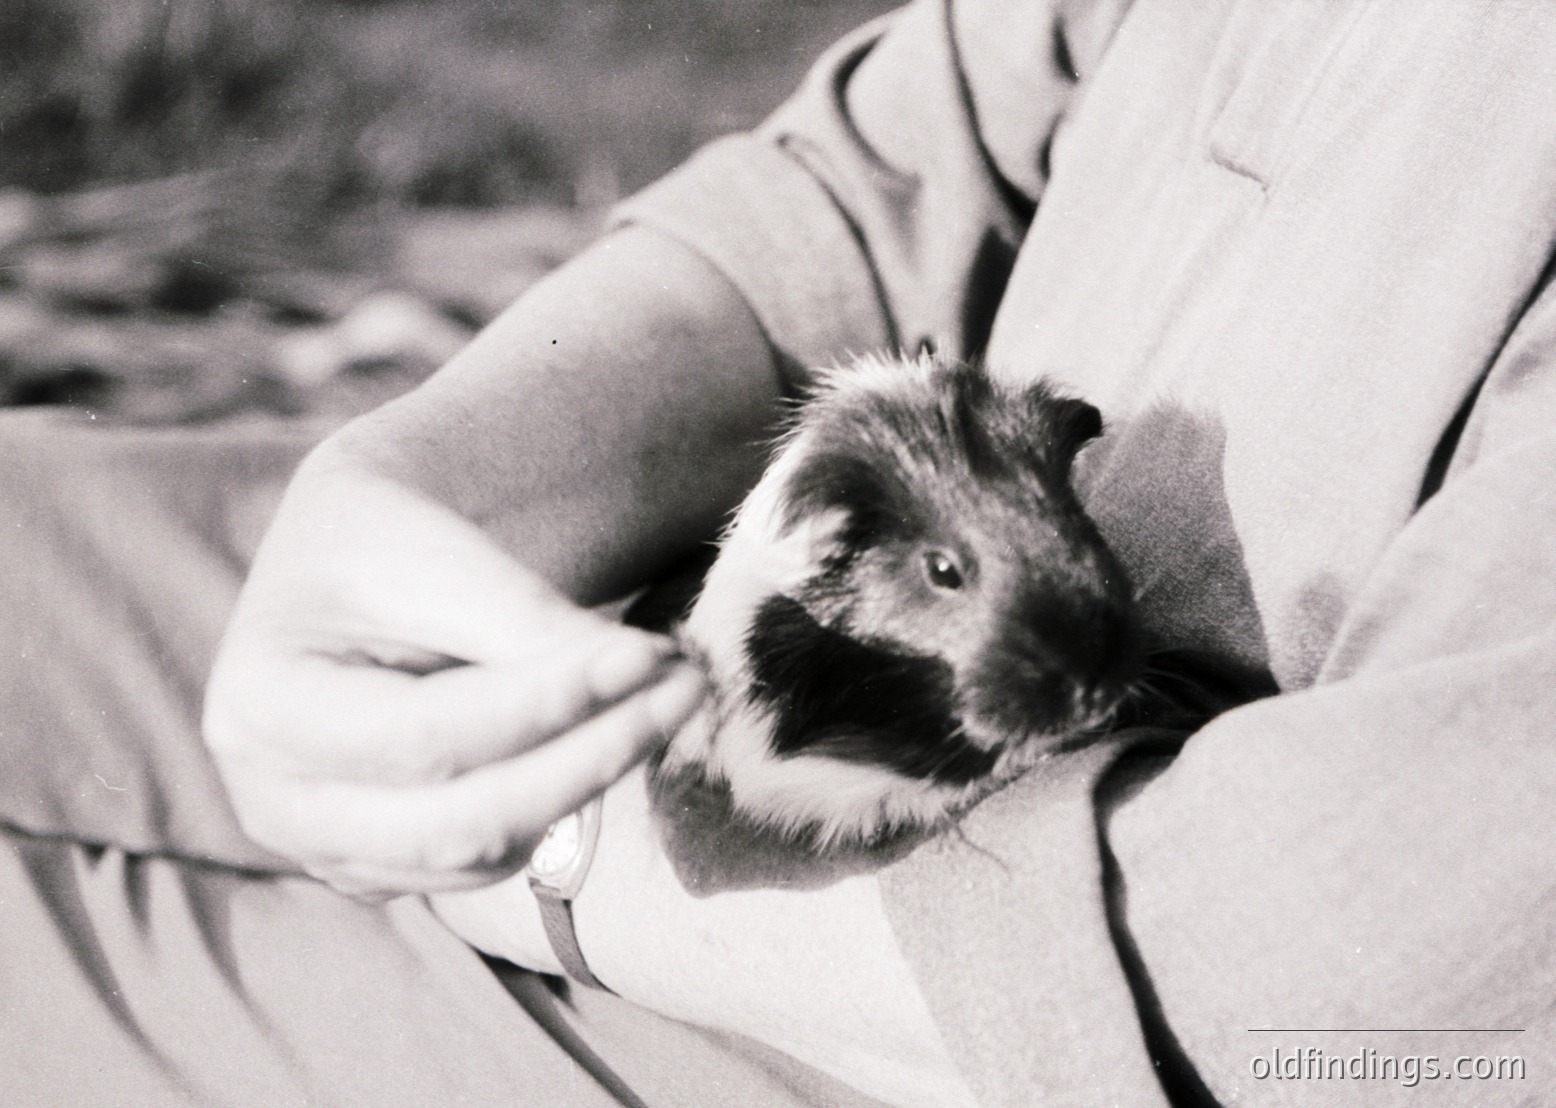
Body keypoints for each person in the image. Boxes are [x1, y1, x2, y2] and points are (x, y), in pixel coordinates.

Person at [6, 0, 1555, 1103]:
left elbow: (1356, 1018)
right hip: (682, 657)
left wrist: (562, 871)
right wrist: (424, 480)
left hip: (904, 1011)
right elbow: (914, 145)